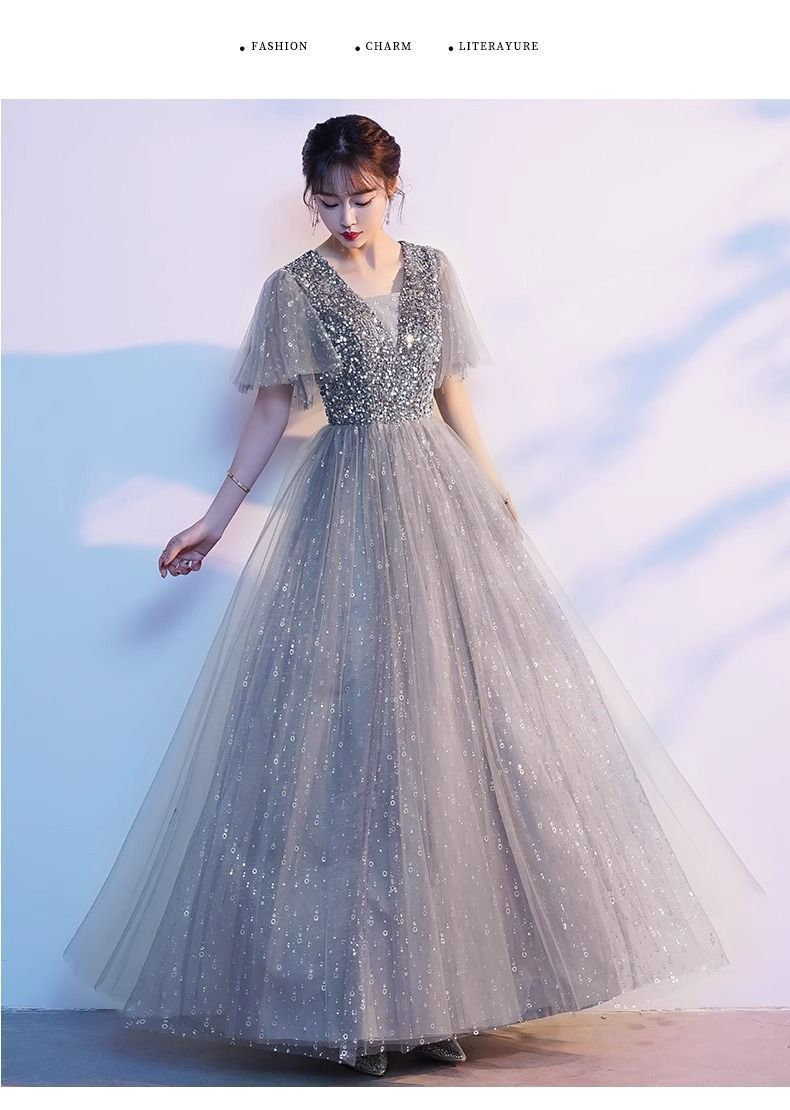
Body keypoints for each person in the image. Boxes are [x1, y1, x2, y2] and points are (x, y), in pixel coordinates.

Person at [63, 114, 765, 1079]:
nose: (346, 216)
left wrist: (493, 487)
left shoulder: (433, 272)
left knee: (449, 742)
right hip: (344, 513)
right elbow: (272, 407)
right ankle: (358, 1006)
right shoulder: (294, 288)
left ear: (393, 188)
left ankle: (440, 1001)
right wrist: (215, 519)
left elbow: (449, 392)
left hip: (439, 506)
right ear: (310, 197)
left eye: (362, 197)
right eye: (327, 201)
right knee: (349, 750)